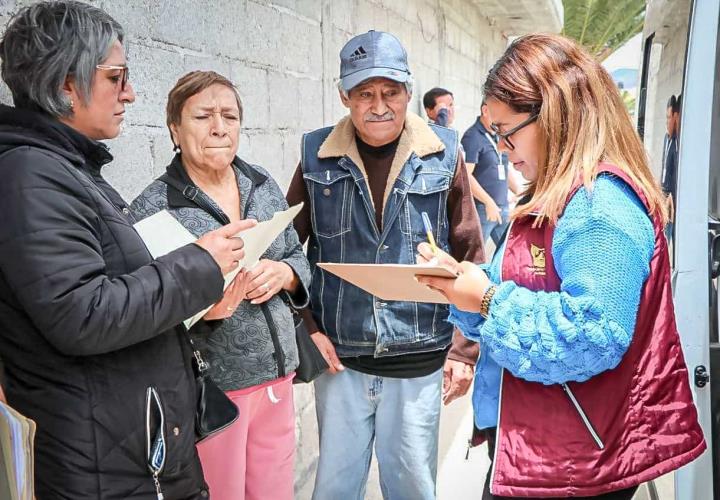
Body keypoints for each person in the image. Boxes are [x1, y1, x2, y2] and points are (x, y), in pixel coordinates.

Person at [416, 33, 705, 499]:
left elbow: (591, 336)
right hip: (552, 446)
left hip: (575, 463)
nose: (503, 147)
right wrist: (463, 284)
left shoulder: (598, 206)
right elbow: (533, 283)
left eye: (507, 130)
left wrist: (486, 299)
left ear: (553, 112)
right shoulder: (564, 192)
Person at [0, 3, 255, 498]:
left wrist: (200, 302)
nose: (130, 93)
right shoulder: (30, 177)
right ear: (65, 84)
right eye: (116, 77)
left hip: (130, 453)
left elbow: (110, 297)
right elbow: (83, 313)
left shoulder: (66, 169)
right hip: (105, 467)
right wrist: (199, 265)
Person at [286, 30, 483, 500]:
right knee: (334, 489)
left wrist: (462, 351)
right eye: (364, 94)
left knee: (413, 489)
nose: (379, 105)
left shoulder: (443, 151)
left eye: (391, 92)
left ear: (408, 92)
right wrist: (306, 327)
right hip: (340, 360)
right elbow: (287, 252)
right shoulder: (316, 155)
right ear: (344, 96)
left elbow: (471, 255)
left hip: (419, 358)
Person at [131, 70, 311, 500]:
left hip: (277, 379)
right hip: (212, 393)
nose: (218, 127)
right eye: (202, 116)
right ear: (174, 128)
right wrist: (203, 311)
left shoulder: (261, 183)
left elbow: (298, 258)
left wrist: (284, 275)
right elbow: (137, 310)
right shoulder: (152, 209)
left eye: (229, 116)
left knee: (274, 492)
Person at [462, 100, 522, 245]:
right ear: (485, 110)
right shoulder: (472, 136)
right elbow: (466, 176)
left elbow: (503, 168)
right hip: (483, 209)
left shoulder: (497, 135)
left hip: (503, 206)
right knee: (475, 255)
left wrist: (520, 192)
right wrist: (488, 203)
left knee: (508, 252)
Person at [661, 94, 681, 242]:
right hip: (665, 197)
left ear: (676, 116)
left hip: (673, 201)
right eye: (666, 118)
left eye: (670, 118)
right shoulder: (667, 140)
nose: (668, 122)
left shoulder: (677, 142)